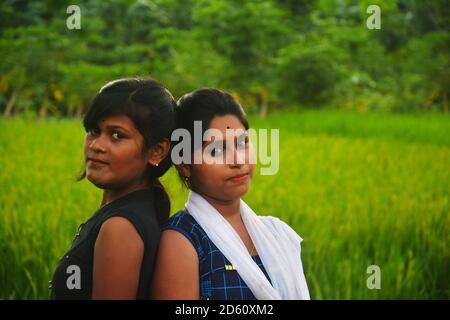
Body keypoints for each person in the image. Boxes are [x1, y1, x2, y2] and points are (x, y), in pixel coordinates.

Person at [152, 88, 309, 300]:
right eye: (216, 150)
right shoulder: (183, 241)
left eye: (242, 143)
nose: (237, 160)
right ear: (184, 165)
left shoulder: (275, 232)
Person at [50, 78, 176, 299]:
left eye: (117, 135)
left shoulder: (120, 228)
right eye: (93, 131)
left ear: (157, 151)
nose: (96, 145)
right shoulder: (134, 210)